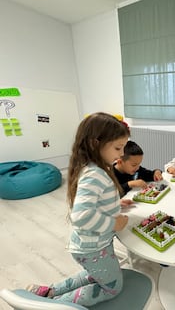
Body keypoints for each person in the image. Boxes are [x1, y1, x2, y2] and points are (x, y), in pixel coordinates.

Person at [26, 112, 133, 307]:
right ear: (95, 144)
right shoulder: (95, 173)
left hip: (88, 244)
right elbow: (82, 216)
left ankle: (49, 291)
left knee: (93, 275)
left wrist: (116, 205)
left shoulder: (92, 167)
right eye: (118, 148)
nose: (121, 154)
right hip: (94, 247)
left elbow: (95, 202)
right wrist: (114, 222)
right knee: (112, 287)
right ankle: (56, 304)